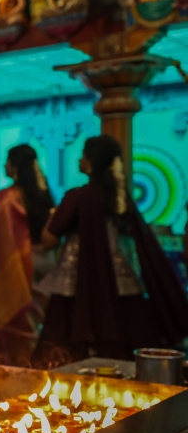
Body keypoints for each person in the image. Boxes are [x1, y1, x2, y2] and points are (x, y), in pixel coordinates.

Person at [33, 135, 188, 365]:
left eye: (84, 155)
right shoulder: (122, 198)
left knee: (66, 350)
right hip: (121, 284)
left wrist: (52, 218)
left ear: (91, 161)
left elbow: (48, 241)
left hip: (79, 284)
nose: (79, 159)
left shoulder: (77, 197)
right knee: (124, 352)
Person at [0, 145, 55, 366]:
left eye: (7, 160)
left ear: (15, 166)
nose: (4, 165)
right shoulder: (44, 195)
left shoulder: (8, 197)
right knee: (37, 320)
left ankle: (17, 368)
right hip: (46, 262)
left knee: (13, 322)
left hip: (18, 265)